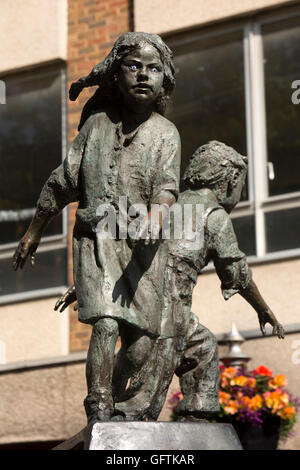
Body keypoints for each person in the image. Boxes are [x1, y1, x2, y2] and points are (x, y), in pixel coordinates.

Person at [12, 32, 181, 423]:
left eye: (153, 69)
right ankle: (99, 407)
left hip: (144, 248)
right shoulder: (97, 127)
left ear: (164, 80)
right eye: (133, 66)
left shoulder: (165, 134)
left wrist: (155, 218)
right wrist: (35, 229)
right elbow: (63, 181)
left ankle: (122, 408)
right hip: (97, 238)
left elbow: (167, 190)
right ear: (115, 75)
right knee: (105, 323)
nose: (143, 75)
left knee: (140, 346)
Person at [55, 141, 285, 422]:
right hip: (168, 310)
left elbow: (119, 252)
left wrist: (86, 286)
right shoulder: (214, 216)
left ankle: (196, 416)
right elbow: (236, 270)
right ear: (231, 180)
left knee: (202, 347)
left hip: (135, 298)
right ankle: (127, 420)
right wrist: (262, 308)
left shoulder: (163, 205)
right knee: (143, 396)